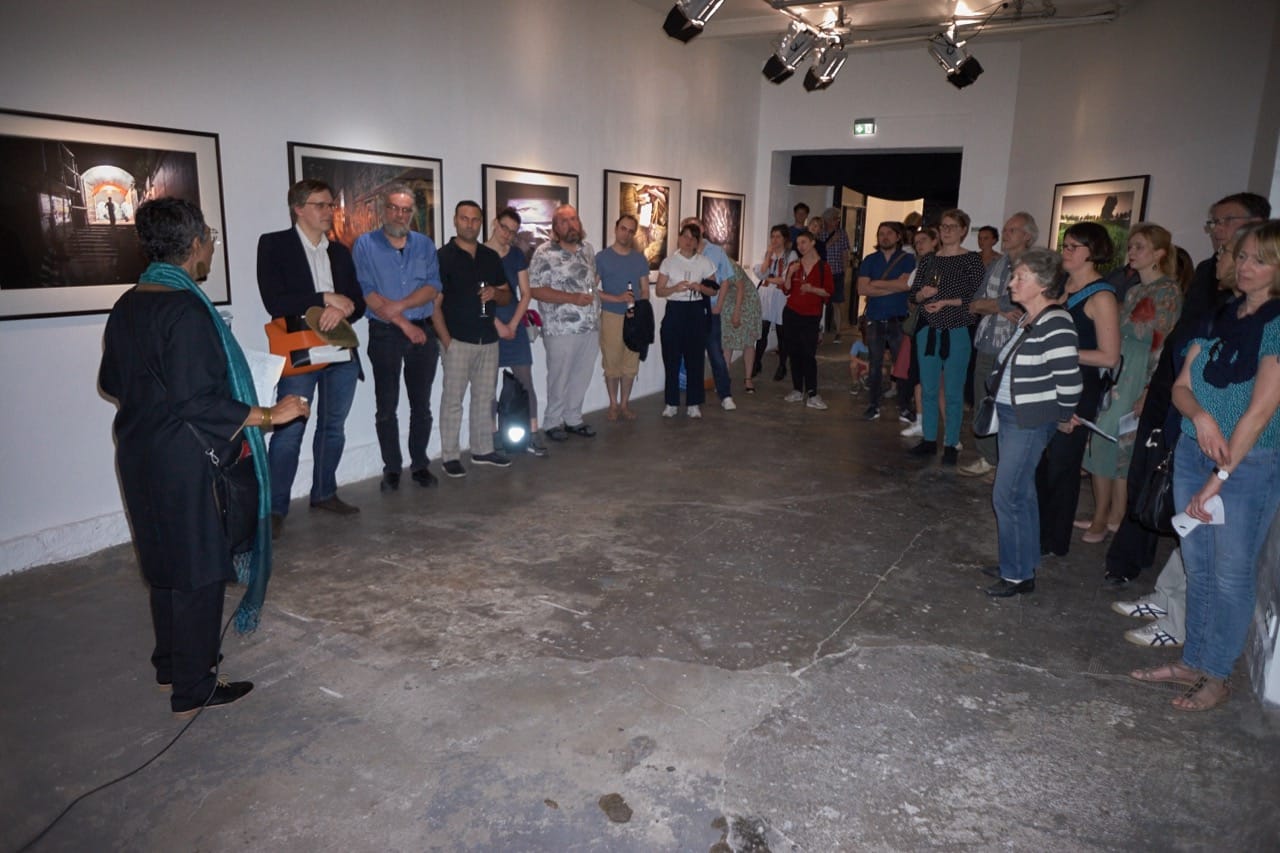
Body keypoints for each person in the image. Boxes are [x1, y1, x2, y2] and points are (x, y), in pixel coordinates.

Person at [99, 197, 309, 716]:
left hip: (139, 450)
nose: (212, 246)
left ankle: (170, 664)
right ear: (194, 245)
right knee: (199, 568)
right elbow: (199, 401)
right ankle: (194, 687)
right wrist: (270, 413)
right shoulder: (187, 309)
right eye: (209, 237)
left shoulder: (129, 303)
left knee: (165, 563)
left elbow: (112, 381)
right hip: (186, 460)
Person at [1130, 219, 1280, 711]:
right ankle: (1192, 660)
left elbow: (1260, 413)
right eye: (1244, 256)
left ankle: (1217, 674)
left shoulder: (1277, 325)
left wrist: (1220, 477)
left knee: (1231, 574)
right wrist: (1201, 419)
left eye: (1261, 259)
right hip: (1197, 451)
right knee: (1198, 565)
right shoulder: (1223, 313)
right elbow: (1181, 385)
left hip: (1247, 464)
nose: (1246, 266)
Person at [1104, 193, 1270, 585]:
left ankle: (1153, 575)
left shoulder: (1265, 317)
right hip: (1176, 390)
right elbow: (1188, 342)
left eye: (1225, 222)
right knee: (1151, 471)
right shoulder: (1213, 279)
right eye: (1214, 223)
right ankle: (1133, 560)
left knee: (1222, 558)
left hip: (1224, 429)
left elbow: (1255, 403)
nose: (1216, 231)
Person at [257, 179, 366, 538]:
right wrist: (324, 299)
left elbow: (358, 302)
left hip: (340, 352)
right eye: (320, 205)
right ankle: (274, 508)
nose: (328, 211)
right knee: (289, 430)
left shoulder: (341, 252)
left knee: (333, 427)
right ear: (298, 208)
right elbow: (274, 301)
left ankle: (324, 492)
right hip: (299, 351)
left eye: (330, 205)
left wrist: (343, 307)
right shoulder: (274, 245)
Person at [981, 249, 1081, 597]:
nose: (1011, 282)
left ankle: (1016, 575)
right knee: (1021, 493)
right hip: (1014, 415)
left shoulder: (1056, 323)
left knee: (1006, 495)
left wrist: (1063, 416)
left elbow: (1070, 381)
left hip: (1028, 420)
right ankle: (1022, 563)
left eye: (1020, 277)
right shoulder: (1031, 317)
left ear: (1042, 284)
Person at [1079, 224, 1182, 541]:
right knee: (1114, 444)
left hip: (1140, 373)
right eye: (1131, 246)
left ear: (1159, 253)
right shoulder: (1135, 290)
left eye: (1140, 247)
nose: (1132, 252)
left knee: (1106, 440)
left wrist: (1149, 389)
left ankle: (1105, 517)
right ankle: (1113, 514)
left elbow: (1162, 345)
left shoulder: (1168, 292)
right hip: (1120, 371)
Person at [1036, 222, 1121, 557]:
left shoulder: (1102, 296)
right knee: (1039, 461)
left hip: (1078, 387)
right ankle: (1037, 530)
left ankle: (1053, 540)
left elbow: (1110, 356)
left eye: (1073, 246)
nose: (1066, 252)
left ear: (1093, 252)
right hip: (1048, 381)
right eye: (1065, 245)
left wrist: (1061, 351)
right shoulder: (1061, 285)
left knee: (1062, 465)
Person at [354, 182, 442, 492]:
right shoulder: (365, 245)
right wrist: (404, 324)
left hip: (424, 330)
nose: (399, 215)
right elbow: (367, 292)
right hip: (385, 333)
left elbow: (432, 287)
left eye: (406, 210)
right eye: (394, 208)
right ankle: (391, 468)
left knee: (421, 405)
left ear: (412, 213)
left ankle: (420, 465)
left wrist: (401, 306)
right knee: (386, 406)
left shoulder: (425, 245)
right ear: (383, 210)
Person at [432, 200, 513, 478]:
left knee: (484, 397)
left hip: (488, 340)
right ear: (455, 220)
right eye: (464, 218)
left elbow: (507, 295)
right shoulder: (442, 257)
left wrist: (495, 293)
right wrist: (447, 342)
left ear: (482, 222)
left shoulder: (490, 257)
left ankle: (482, 449)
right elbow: (434, 305)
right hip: (457, 341)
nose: (470, 224)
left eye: (475, 219)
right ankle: (450, 456)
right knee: (453, 400)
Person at [959, 213, 1036, 478]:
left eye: (1012, 230)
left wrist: (994, 305)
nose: (1006, 234)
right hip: (987, 342)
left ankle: (1006, 464)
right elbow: (974, 303)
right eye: (1005, 229)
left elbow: (1021, 302)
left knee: (1009, 408)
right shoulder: (996, 265)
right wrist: (1000, 308)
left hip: (1016, 347)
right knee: (983, 402)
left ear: (1027, 236)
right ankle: (988, 458)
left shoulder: (1034, 266)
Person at [908, 209, 985, 464]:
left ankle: (951, 443)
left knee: (953, 391)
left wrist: (945, 302)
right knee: (928, 389)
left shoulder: (972, 260)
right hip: (928, 330)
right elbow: (913, 295)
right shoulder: (929, 260)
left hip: (957, 330)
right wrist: (923, 295)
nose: (947, 230)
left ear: (963, 230)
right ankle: (929, 439)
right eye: (943, 226)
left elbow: (978, 298)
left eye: (952, 226)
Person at [529, 204, 599, 441]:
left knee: (582, 376)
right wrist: (572, 298)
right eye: (564, 221)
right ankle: (552, 422)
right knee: (559, 378)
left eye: (574, 219)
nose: (571, 225)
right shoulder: (544, 253)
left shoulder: (587, 249)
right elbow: (535, 290)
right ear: (555, 227)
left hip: (590, 326)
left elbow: (591, 281)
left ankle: (573, 419)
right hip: (560, 328)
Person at [486, 206, 548, 456]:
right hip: (489, 325)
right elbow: (476, 297)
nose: (507, 235)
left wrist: (512, 325)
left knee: (525, 381)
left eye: (513, 231)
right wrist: (497, 325)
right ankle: (493, 436)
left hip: (514, 323)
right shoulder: (480, 254)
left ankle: (532, 433)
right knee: (488, 386)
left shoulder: (516, 256)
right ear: (495, 223)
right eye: (504, 228)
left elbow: (526, 293)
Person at [855, 221, 916, 420]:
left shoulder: (907, 259)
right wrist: (894, 285)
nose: (885, 237)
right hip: (875, 320)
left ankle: (904, 406)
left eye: (889, 233)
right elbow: (862, 289)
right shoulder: (870, 260)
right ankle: (873, 405)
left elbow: (907, 285)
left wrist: (876, 284)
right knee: (875, 364)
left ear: (898, 237)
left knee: (902, 365)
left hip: (899, 321)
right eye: (881, 233)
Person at [656, 221, 717, 418]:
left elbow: (713, 289)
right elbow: (659, 291)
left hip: (696, 311)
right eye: (685, 237)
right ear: (679, 238)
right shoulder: (669, 262)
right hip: (675, 310)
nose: (688, 241)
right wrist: (675, 288)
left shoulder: (704, 262)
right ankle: (671, 402)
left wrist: (700, 287)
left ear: (698, 242)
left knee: (695, 359)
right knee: (671, 358)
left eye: (693, 238)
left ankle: (694, 403)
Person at [595, 214, 650, 421]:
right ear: (616, 228)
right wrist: (617, 298)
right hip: (611, 316)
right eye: (623, 228)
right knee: (612, 363)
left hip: (633, 317)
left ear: (634, 234)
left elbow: (645, 289)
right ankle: (613, 404)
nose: (626, 234)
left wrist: (639, 307)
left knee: (630, 363)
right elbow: (592, 289)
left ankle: (625, 404)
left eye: (630, 231)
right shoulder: (602, 257)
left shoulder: (639, 259)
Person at [683, 215, 737, 411]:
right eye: (687, 229)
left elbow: (725, 280)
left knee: (715, 353)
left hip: (710, 308)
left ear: (703, 229)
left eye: (695, 227)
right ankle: (694, 399)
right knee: (692, 354)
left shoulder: (716, 251)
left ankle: (725, 394)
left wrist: (719, 305)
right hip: (689, 309)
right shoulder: (681, 253)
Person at [781, 230, 833, 410]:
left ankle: (812, 393)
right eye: (798, 244)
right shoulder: (794, 265)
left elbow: (828, 293)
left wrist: (812, 289)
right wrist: (789, 274)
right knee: (794, 353)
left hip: (811, 315)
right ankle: (797, 389)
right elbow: (786, 290)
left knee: (809, 354)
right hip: (792, 313)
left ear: (812, 242)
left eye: (803, 242)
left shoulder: (823, 267)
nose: (800, 246)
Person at [899, 226, 939, 437]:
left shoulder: (939, 263)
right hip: (920, 325)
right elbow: (912, 296)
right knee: (917, 375)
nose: (919, 244)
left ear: (935, 241)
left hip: (935, 325)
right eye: (916, 242)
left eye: (923, 240)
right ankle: (921, 421)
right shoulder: (920, 266)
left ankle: (943, 430)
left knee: (934, 379)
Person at [755, 224, 794, 382]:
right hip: (766, 295)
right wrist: (768, 257)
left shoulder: (790, 255)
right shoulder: (768, 254)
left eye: (778, 237)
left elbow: (784, 279)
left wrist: (768, 278)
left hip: (781, 296)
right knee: (762, 331)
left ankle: (782, 365)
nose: (775, 240)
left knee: (781, 332)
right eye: (772, 236)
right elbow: (761, 273)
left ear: (784, 238)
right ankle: (757, 363)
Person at [720, 257, 763, 394]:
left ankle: (748, 379)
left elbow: (741, 287)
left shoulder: (729, 265)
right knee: (727, 341)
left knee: (748, 342)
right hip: (729, 302)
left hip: (747, 302)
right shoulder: (708, 263)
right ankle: (724, 378)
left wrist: (737, 312)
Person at [818, 207, 850, 343]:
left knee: (837, 303)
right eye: (834, 219)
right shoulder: (820, 234)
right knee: (819, 302)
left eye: (838, 219)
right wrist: (830, 242)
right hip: (823, 273)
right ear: (827, 220)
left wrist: (845, 270)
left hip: (837, 273)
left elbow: (845, 253)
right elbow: (818, 251)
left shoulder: (842, 234)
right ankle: (818, 331)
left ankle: (838, 332)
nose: (837, 221)